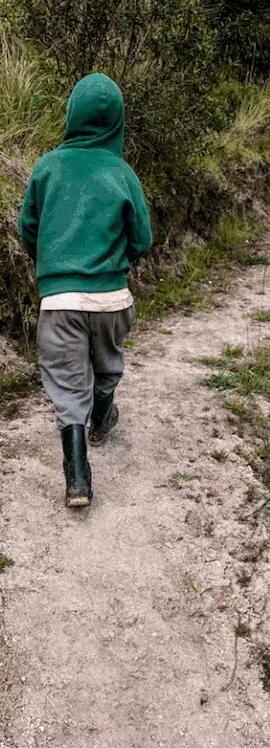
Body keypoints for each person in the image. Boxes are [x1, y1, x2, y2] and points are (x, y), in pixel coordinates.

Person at [18, 73, 152, 508]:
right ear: (118, 121)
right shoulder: (122, 172)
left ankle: (77, 477)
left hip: (58, 300)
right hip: (111, 297)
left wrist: (51, 265)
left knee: (65, 383)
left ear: (72, 113)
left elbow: (28, 229)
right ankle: (102, 419)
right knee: (107, 366)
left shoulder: (46, 166)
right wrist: (117, 260)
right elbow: (142, 240)